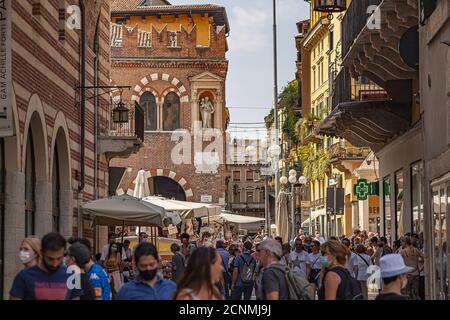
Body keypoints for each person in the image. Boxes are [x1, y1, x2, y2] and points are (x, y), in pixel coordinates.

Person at [10, 232, 83, 300]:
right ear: (41, 253)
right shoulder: (23, 276)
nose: (55, 263)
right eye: (50, 259)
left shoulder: (72, 276)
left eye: (59, 258)